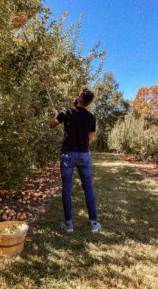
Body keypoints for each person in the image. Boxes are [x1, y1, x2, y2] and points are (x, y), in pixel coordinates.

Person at [49, 88, 101, 233]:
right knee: (88, 187)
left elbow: (51, 124)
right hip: (83, 155)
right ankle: (93, 223)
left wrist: (56, 116)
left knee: (67, 187)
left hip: (68, 155)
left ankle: (69, 224)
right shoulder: (91, 118)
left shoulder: (67, 112)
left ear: (79, 98)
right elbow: (90, 140)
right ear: (89, 102)